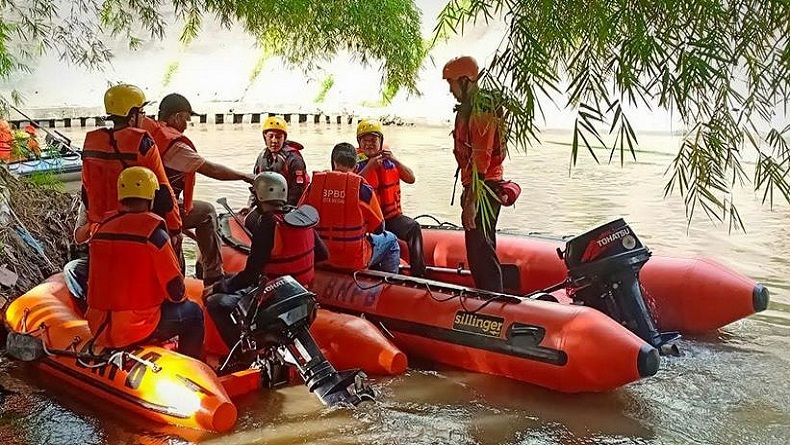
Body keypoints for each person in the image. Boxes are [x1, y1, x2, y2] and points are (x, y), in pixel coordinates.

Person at [64, 84, 181, 303]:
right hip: (139, 234)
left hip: (102, 237)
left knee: (73, 269)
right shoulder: (142, 142)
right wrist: (175, 230)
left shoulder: (91, 144)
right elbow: (163, 191)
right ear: (133, 114)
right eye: (142, 112)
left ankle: (90, 308)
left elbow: (86, 194)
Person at [85, 167, 204, 359]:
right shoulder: (154, 235)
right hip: (134, 328)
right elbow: (176, 291)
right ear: (152, 197)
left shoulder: (100, 231)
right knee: (194, 313)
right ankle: (195, 365)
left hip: (97, 324)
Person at [204, 172, 328, 348]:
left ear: (259, 196)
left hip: (275, 299)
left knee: (215, 303)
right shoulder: (300, 218)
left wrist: (218, 287)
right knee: (232, 281)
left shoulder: (268, 224)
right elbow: (323, 254)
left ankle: (243, 354)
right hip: (303, 295)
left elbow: (250, 276)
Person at [142, 93, 255, 285]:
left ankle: (186, 275)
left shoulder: (146, 135)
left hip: (144, 204)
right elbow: (209, 168)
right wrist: (244, 176)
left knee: (179, 250)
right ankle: (213, 275)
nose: (186, 125)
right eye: (186, 119)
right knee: (208, 212)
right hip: (160, 209)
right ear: (176, 117)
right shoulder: (174, 145)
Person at [443, 56, 505, 292]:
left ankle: (493, 299)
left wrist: (472, 199)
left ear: (465, 80)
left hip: (484, 186)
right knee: (479, 246)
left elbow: (481, 157)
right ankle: (489, 295)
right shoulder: (472, 107)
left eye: (452, 83)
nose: (450, 90)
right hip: (478, 184)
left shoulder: (481, 110)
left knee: (481, 248)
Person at [301, 143, 400, 273]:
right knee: (392, 240)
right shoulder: (362, 189)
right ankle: (388, 286)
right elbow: (379, 228)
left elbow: (299, 219)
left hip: (319, 256)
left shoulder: (314, 186)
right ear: (356, 167)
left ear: (333, 163)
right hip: (354, 260)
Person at [354, 119, 426, 277]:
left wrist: (395, 160)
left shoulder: (390, 161)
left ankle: (419, 274)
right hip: (370, 222)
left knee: (414, 227)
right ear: (359, 143)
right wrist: (370, 167)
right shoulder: (355, 164)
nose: (369, 144)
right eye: (364, 141)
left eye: (373, 140)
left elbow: (411, 178)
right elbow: (352, 188)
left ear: (381, 141)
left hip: (391, 218)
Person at [248, 116, 309, 207]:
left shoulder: (294, 159)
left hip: (290, 205)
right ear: (265, 137)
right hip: (269, 204)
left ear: (284, 138)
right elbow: (256, 184)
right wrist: (250, 206)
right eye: (270, 136)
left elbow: (298, 190)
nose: (274, 141)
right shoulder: (262, 157)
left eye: (278, 137)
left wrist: (283, 209)